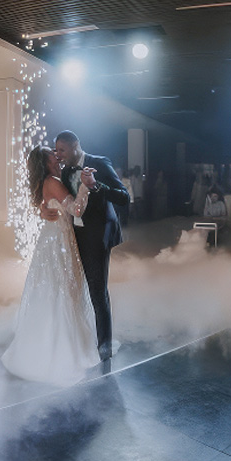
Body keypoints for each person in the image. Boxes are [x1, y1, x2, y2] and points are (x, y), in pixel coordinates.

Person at [1, 146, 98, 384]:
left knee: (55, 288)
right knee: (63, 289)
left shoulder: (48, 181)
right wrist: (85, 186)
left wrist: (44, 210)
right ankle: (60, 350)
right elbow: (77, 210)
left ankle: (44, 343)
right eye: (52, 155)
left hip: (54, 238)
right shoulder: (52, 181)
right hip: (59, 241)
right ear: (46, 163)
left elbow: (48, 205)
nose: (57, 156)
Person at [48, 130, 129, 361]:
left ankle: (104, 348)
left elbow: (124, 197)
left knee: (97, 291)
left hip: (97, 236)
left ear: (75, 146)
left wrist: (96, 185)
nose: (58, 155)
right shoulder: (63, 171)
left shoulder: (99, 163)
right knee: (74, 291)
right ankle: (79, 342)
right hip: (72, 237)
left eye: (62, 150)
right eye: (56, 150)